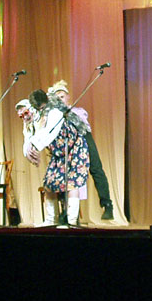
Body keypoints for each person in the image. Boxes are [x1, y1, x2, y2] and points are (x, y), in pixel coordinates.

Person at [48, 80, 114, 220]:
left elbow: (80, 125)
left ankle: (107, 204)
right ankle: (66, 212)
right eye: (57, 98)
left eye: (62, 97)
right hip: (68, 143)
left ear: (68, 97)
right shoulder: (54, 116)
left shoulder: (77, 112)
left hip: (83, 137)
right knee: (65, 174)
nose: (60, 100)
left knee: (96, 168)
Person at [26, 89, 90, 226]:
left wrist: (36, 146)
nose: (41, 110)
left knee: (72, 183)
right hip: (59, 152)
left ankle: (71, 222)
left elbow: (50, 133)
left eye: (42, 107)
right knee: (49, 183)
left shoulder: (54, 111)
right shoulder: (35, 114)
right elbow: (30, 133)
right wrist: (29, 147)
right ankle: (51, 220)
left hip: (74, 149)